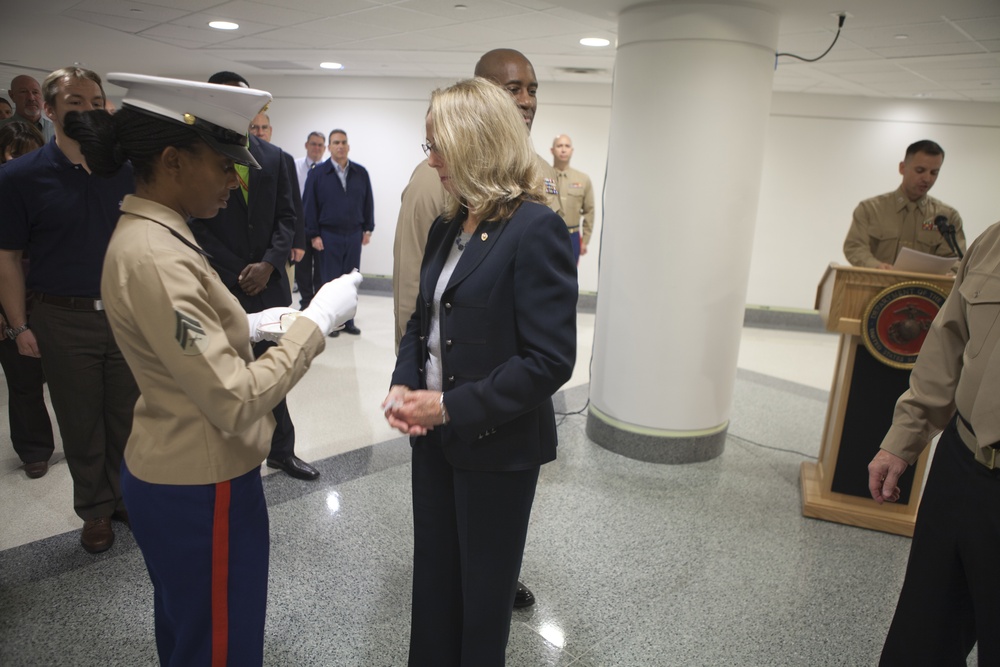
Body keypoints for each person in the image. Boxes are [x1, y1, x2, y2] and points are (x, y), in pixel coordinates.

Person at [63, 71, 361, 666]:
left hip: (177, 465)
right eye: (224, 163)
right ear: (172, 161)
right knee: (219, 645)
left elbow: (178, 336)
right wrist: (314, 322)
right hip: (201, 480)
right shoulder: (155, 255)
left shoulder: (159, 233)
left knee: (192, 631)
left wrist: (248, 325)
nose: (236, 178)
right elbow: (234, 397)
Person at [383, 77, 577, 666]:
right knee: (435, 580)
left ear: (476, 144)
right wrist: (405, 379)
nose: (433, 160)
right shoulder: (449, 224)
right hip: (436, 440)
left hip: (497, 444)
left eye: (438, 146)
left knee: (482, 593)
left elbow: (549, 360)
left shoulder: (535, 229)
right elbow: (423, 320)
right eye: (429, 146)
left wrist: (448, 407)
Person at [0, 66, 138, 553]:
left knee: (127, 416)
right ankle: (95, 510)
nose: (87, 111)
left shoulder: (127, 170)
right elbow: (9, 258)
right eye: (74, 102)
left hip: (126, 315)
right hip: (62, 317)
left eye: (96, 102)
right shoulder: (20, 177)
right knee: (80, 420)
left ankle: (124, 498)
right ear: (51, 111)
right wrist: (19, 326)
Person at [867, 217, 1000, 665]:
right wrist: (903, 439)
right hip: (963, 468)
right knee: (923, 637)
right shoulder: (994, 241)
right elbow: (948, 343)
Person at [188, 71, 319, 481]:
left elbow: (287, 217)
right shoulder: (196, 155)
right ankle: (230, 455)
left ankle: (282, 450)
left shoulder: (275, 157)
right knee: (226, 372)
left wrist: (268, 263)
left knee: (273, 369)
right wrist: (236, 269)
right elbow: (195, 223)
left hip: (269, 283)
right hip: (222, 283)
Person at [0, 121, 54, 478]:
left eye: (33, 154)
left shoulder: (49, 194)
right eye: (16, 155)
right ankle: (34, 449)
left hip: (52, 300)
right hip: (9, 305)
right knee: (23, 383)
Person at [844, 140, 965, 269]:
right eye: (920, 170)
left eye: (934, 173)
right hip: (877, 284)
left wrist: (948, 273)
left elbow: (956, 260)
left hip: (925, 288)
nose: (927, 178)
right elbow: (855, 247)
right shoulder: (870, 209)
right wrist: (876, 266)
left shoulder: (947, 217)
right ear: (902, 168)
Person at [302, 129, 373, 336]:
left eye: (343, 142)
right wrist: (313, 235)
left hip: (353, 234)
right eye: (335, 142)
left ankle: (348, 321)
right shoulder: (317, 174)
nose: (340, 146)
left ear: (348, 146)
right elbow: (309, 207)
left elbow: (368, 201)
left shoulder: (361, 173)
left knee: (350, 280)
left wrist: (368, 228)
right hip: (328, 235)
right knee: (330, 282)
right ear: (329, 147)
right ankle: (332, 323)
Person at [294, 131, 326, 308]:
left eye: (320, 145)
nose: (316, 148)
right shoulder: (294, 165)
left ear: (325, 148)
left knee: (321, 269)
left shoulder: (327, 170)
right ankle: (306, 302)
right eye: (313, 144)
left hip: (320, 227)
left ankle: (318, 304)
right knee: (302, 268)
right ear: (306, 145)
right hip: (299, 225)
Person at [551, 134, 595, 263]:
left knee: (569, 278)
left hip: (572, 237)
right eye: (559, 146)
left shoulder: (582, 179)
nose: (563, 149)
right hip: (548, 234)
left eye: (567, 146)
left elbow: (589, 211)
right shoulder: (544, 176)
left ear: (572, 151)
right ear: (552, 150)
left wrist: (585, 240)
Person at [0, 75, 55, 142]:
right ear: (12, 95)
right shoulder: (2, 129)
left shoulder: (58, 130)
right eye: (23, 92)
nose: (31, 98)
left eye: (35, 92)